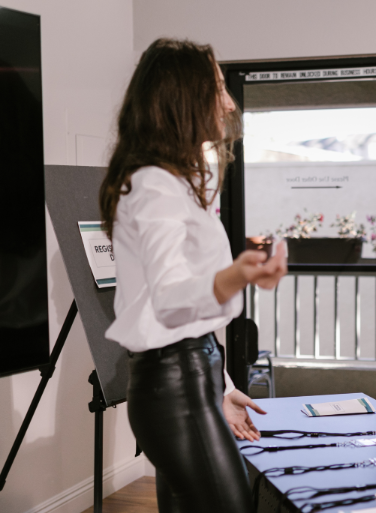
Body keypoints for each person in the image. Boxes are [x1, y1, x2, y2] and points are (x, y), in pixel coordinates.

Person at [99, 39, 288, 513]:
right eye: (218, 87)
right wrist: (237, 276)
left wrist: (220, 387)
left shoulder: (171, 181)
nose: (228, 101)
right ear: (183, 95)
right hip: (173, 388)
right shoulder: (153, 185)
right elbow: (169, 299)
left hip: (186, 379)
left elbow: (189, 324)